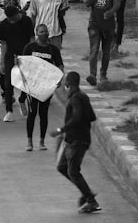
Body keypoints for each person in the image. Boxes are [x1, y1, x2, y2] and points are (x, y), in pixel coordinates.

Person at [50, 71, 101, 213]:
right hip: (78, 139)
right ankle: (86, 192)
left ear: (68, 85)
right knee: (62, 167)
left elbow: (77, 117)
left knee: (73, 172)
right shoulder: (83, 96)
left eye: (66, 85)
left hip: (77, 141)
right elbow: (91, 117)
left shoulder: (75, 99)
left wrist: (62, 129)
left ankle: (91, 200)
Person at [22, 23, 64, 151]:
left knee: (43, 113)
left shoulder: (53, 50)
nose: (44, 34)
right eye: (41, 32)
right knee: (32, 112)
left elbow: (60, 66)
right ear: (36, 33)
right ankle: (29, 141)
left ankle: (42, 141)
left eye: (45, 32)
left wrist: (59, 79)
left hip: (47, 87)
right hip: (33, 86)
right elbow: (23, 64)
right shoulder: (30, 47)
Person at [83, 0, 118, 86]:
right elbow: (87, 2)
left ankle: (103, 74)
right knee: (94, 49)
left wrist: (111, 11)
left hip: (108, 25)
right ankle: (92, 75)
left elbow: (117, 3)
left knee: (106, 51)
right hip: (94, 24)